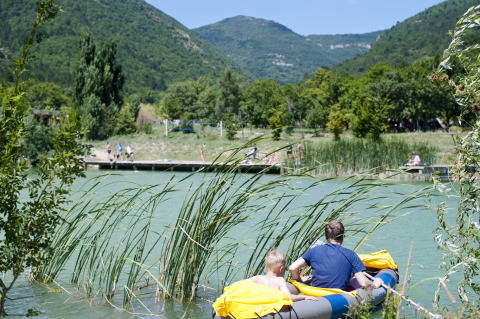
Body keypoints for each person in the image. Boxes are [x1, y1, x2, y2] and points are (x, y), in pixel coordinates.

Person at [289, 220, 383, 291]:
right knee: (355, 280)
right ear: (342, 237)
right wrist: (375, 284)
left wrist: (300, 281)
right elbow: (363, 283)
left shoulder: (313, 251)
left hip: (316, 293)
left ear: (326, 237)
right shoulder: (351, 255)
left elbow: (292, 268)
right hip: (338, 297)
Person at [248, 250, 317, 302]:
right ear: (281, 268)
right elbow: (289, 297)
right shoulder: (279, 280)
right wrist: (304, 297)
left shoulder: (257, 278)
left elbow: (241, 284)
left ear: (266, 266)